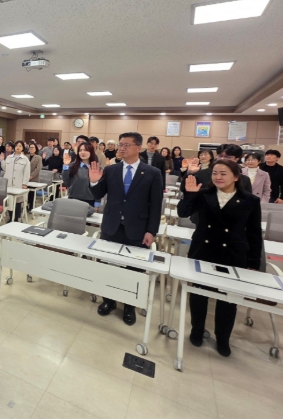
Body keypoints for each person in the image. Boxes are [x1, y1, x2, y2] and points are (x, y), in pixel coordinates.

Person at [178, 160, 262, 357]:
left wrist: (253, 262)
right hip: (204, 250)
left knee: (228, 299)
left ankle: (223, 337)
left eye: (223, 173)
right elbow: (183, 212)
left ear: (236, 177)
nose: (218, 177)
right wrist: (190, 194)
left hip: (232, 253)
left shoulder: (250, 200)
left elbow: (254, 233)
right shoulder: (204, 194)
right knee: (199, 294)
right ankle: (197, 329)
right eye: (215, 173)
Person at [89, 132, 163, 326]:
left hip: (137, 229)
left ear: (138, 148)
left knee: (134, 269)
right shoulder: (111, 170)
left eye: (126, 145)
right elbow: (98, 193)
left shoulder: (152, 173)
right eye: (120, 144)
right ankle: (109, 300)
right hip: (112, 226)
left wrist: (151, 231)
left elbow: (156, 205)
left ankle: (129, 306)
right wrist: (94, 181)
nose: (121, 148)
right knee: (108, 265)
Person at [62, 142, 101, 206]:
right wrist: (66, 166)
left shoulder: (96, 168)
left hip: (90, 200)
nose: (82, 152)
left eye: (85, 150)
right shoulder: (72, 166)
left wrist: (97, 202)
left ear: (91, 152)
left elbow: (99, 188)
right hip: (73, 198)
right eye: (80, 150)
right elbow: (67, 182)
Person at [4, 140, 31, 222]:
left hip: (19, 184)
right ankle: (10, 217)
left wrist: (25, 183)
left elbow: (27, 173)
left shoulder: (25, 159)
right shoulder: (9, 157)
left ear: (23, 148)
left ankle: (16, 219)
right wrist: (1, 160)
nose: (18, 147)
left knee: (17, 201)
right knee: (9, 201)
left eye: (20, 146)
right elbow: (4, 169)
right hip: (9, 183)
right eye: (16, 146)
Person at [27, 143, 43, 210]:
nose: (31, 149)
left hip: (34, 178)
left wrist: (31, 175)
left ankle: (31, 207)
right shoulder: (26, 156)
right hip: (26, 178)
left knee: (32, 194)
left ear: (35, 149)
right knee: (26, 193)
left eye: (33, 147)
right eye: (30, 147)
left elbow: (38, 168)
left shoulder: (38, 157)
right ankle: (26, 206)